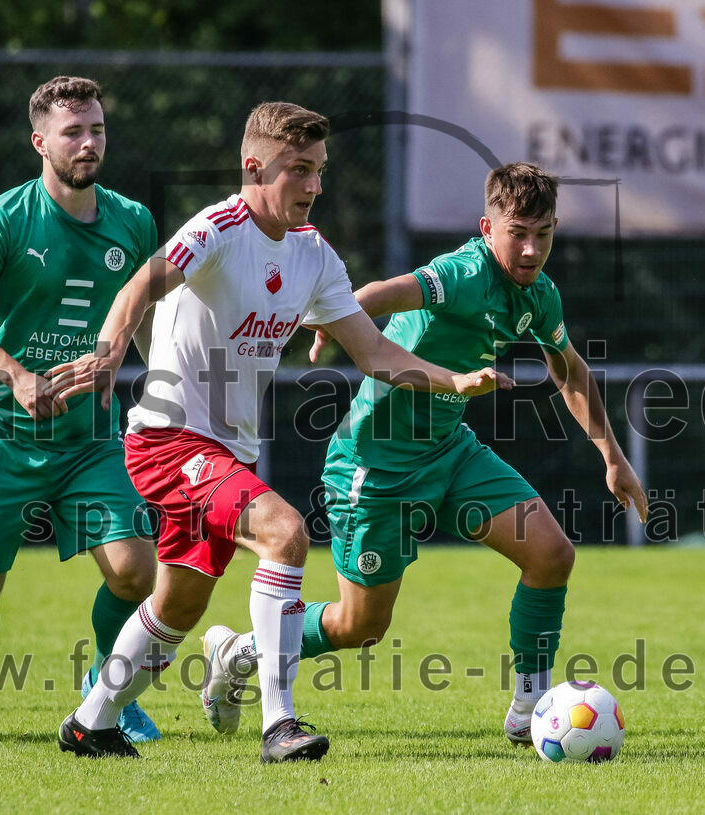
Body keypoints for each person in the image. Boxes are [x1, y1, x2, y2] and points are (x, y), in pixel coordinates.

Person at [44, 101, 512, 762]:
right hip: (169, 438)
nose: (315, 185)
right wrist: (109, 349)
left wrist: (453, 380)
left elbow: (375, 351)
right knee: (285, 532)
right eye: (299, 170)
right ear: (254, 166)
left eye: (319, 170)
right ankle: (279, 722)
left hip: (226, 448)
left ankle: (90, 722)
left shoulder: (313, 254)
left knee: (177, 607)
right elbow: (140, 286)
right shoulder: (219, 227)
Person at [202, 162, 649, 747]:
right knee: (360, 625)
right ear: (487, 227)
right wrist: (336, 322)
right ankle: (242, 651)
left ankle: (530, 705)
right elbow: (381, 293)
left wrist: (612, 458)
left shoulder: (538, 294)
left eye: (544, 234)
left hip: (450, 451)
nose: (532, 248)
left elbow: (567, 369)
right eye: (518, 233)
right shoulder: (461, 273)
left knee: (552, 555)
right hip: (375, 465)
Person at [0, 76, 160, 747]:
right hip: (5, 428)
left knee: (136, 569)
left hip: (90, 436)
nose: (88, 143)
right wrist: (17, 374)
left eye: (97, 130)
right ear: (40, 142)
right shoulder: (4, 218)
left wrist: (167, 385)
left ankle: (106, 690)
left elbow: (141, 314)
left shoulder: (134, 220)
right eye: (73, 132)